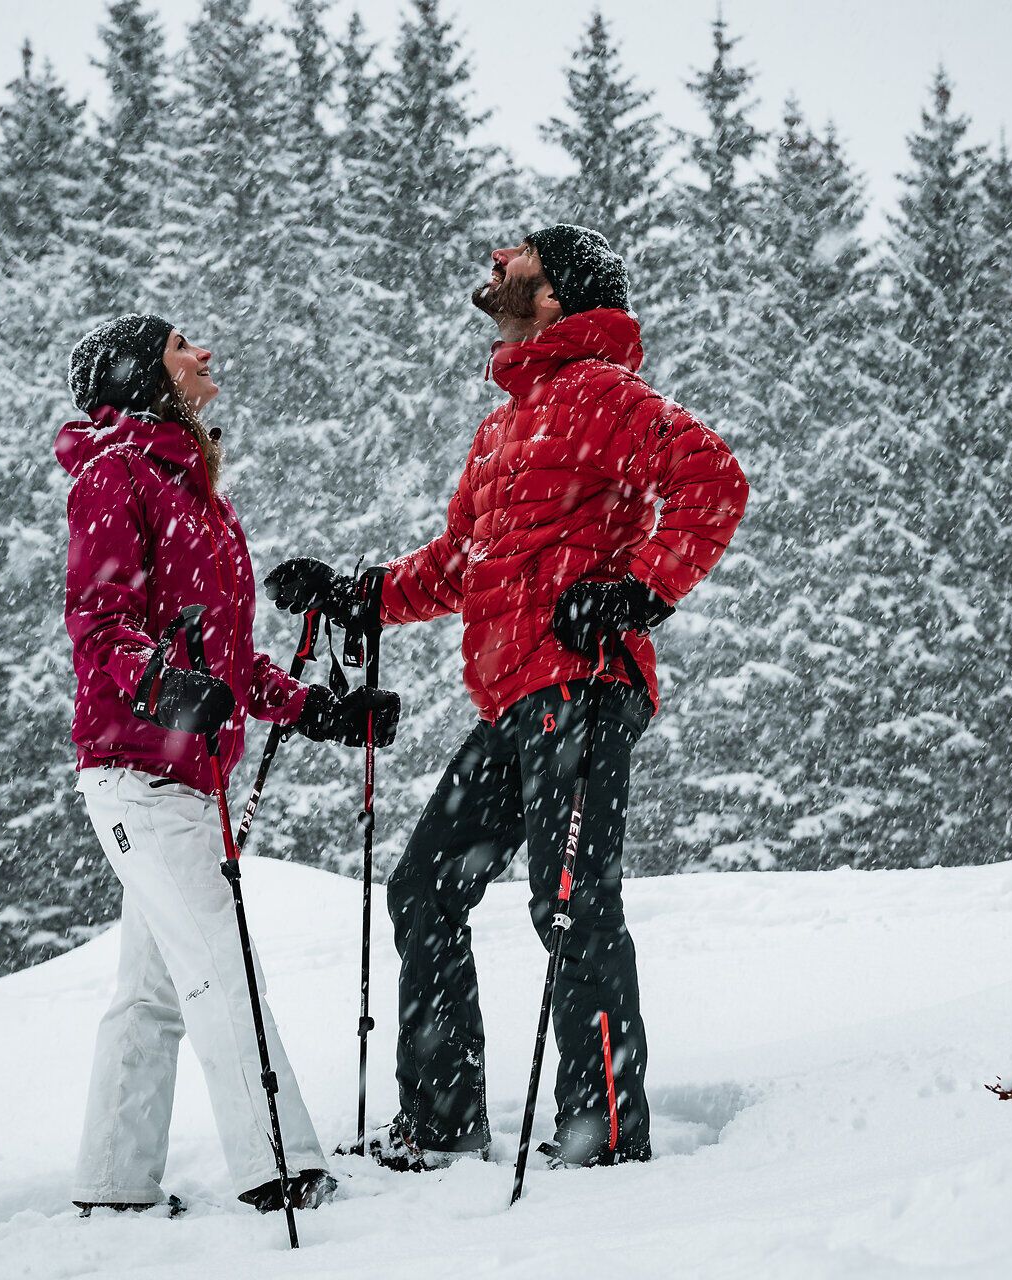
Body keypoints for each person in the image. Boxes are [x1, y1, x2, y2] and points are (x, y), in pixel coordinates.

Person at [266, 226, 748, 1172]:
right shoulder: (505, 426)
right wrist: (358, 593)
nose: (495, 268)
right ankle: (441, 1122)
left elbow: (712, 478)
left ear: (558, 293)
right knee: (423, 889)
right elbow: (460, 564)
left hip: (583, 687)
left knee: (569, 904)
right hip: (514, 699)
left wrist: (640, 589)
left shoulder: (604, 395)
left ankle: (604, 1133)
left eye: (514, 261)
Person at [58, 314, 399, 1217]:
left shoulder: (195, 490)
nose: (205, 353)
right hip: (136, 773)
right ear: (140, 374)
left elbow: (231, 661)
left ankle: (114, 1186)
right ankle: (280, 1167)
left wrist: (318, 708)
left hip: (186, 772)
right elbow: (100, 630)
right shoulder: (114, 475)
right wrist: (163, 688)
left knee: (153, 992)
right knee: (219, 961)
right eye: (181, 346)